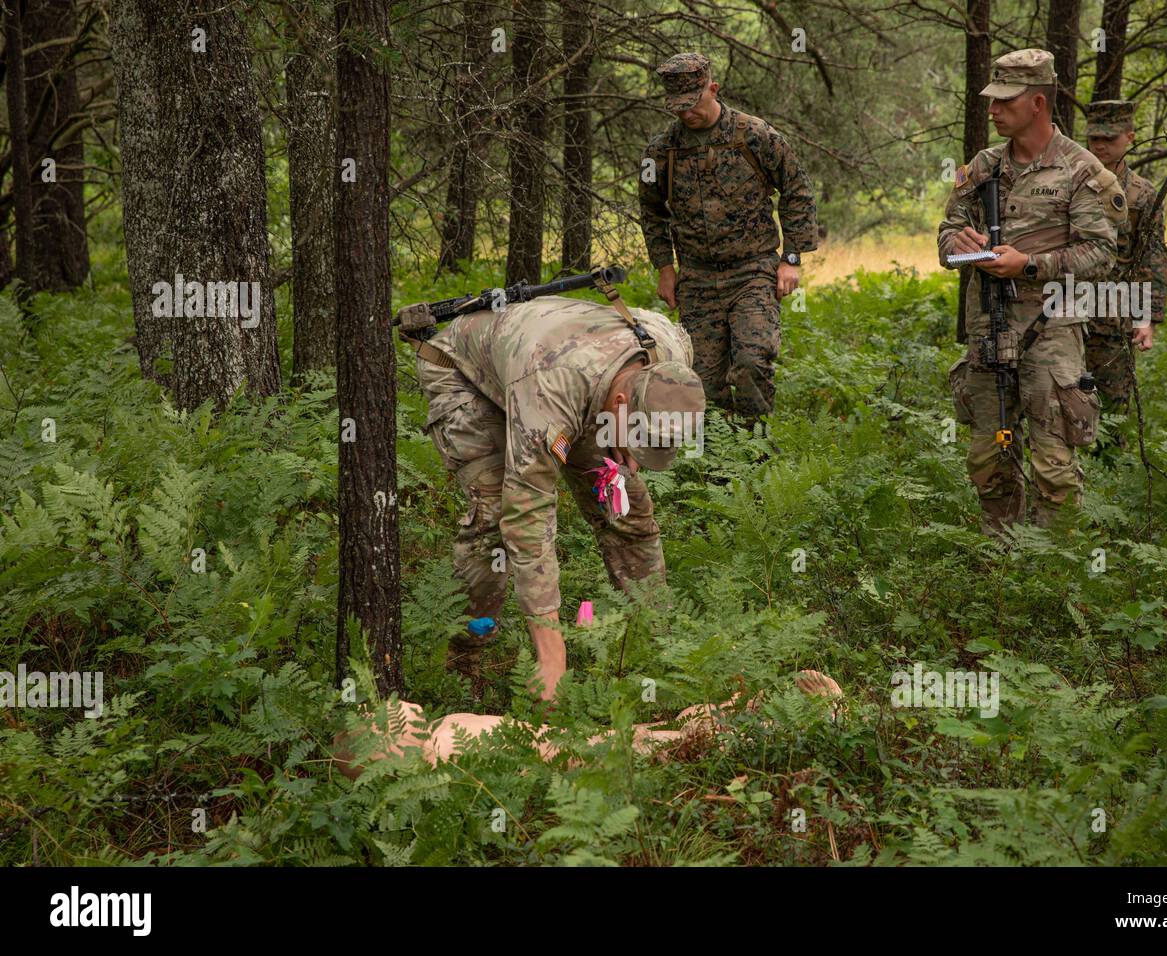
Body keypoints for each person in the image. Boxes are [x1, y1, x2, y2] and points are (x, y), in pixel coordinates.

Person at [399, 294, 705, 700]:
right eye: (635, 438)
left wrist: (625, 448)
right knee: (494, 517)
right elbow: (529, 513)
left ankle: (662, 641)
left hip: (567, 380)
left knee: (626, 504)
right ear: (620, 406)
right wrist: (552, 656)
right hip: (466, 374)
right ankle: (463, 666)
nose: (636, 455)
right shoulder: (552, 393)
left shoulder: (672, 356)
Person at [938, 49, 1127, 534]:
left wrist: (1030, 265)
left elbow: (1101, 255)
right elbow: (947, 233)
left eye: (1005, 100)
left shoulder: (1082, 172)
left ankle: (1051, 573)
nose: (993, 110)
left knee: (1054, 467)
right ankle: (999, 568)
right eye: (992, 100)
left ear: (1038, 103)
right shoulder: (982, 168)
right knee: (989, 459)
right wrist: (959, 242)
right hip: (988, 331)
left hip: (1052, 332)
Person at [638, 52, 819, 426]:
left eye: (693, 104)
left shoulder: (755, 135)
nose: (687, 114)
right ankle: (717, 470)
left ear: (713, 89)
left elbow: (797, 190)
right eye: (678, 108)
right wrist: (664, 268)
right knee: (702, 381)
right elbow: (651, 211)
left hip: (752, 271)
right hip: (697, 279)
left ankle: (756, 458)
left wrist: (792, 257)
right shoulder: (661, 152)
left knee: (753, 362)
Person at [333, 670, 843, 775]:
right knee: (674, 743)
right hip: (579, 760)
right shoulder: (441, 749)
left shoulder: (443, 727)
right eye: (382, 713)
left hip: (575, 743)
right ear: (388, 745)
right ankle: (804, 729)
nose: (397, 703)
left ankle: (742, 717)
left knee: (665, 728)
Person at [1084, 99, 1167, 412]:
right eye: (1095, 139)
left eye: (1110, 139)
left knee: (1111, 407)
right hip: (1063, 314)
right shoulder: (1068, 186)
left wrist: (1147, 318)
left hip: (1114, 318)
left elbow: (1151, 258)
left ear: (1129, 138)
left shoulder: (1142, 194)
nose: (1101, 146)